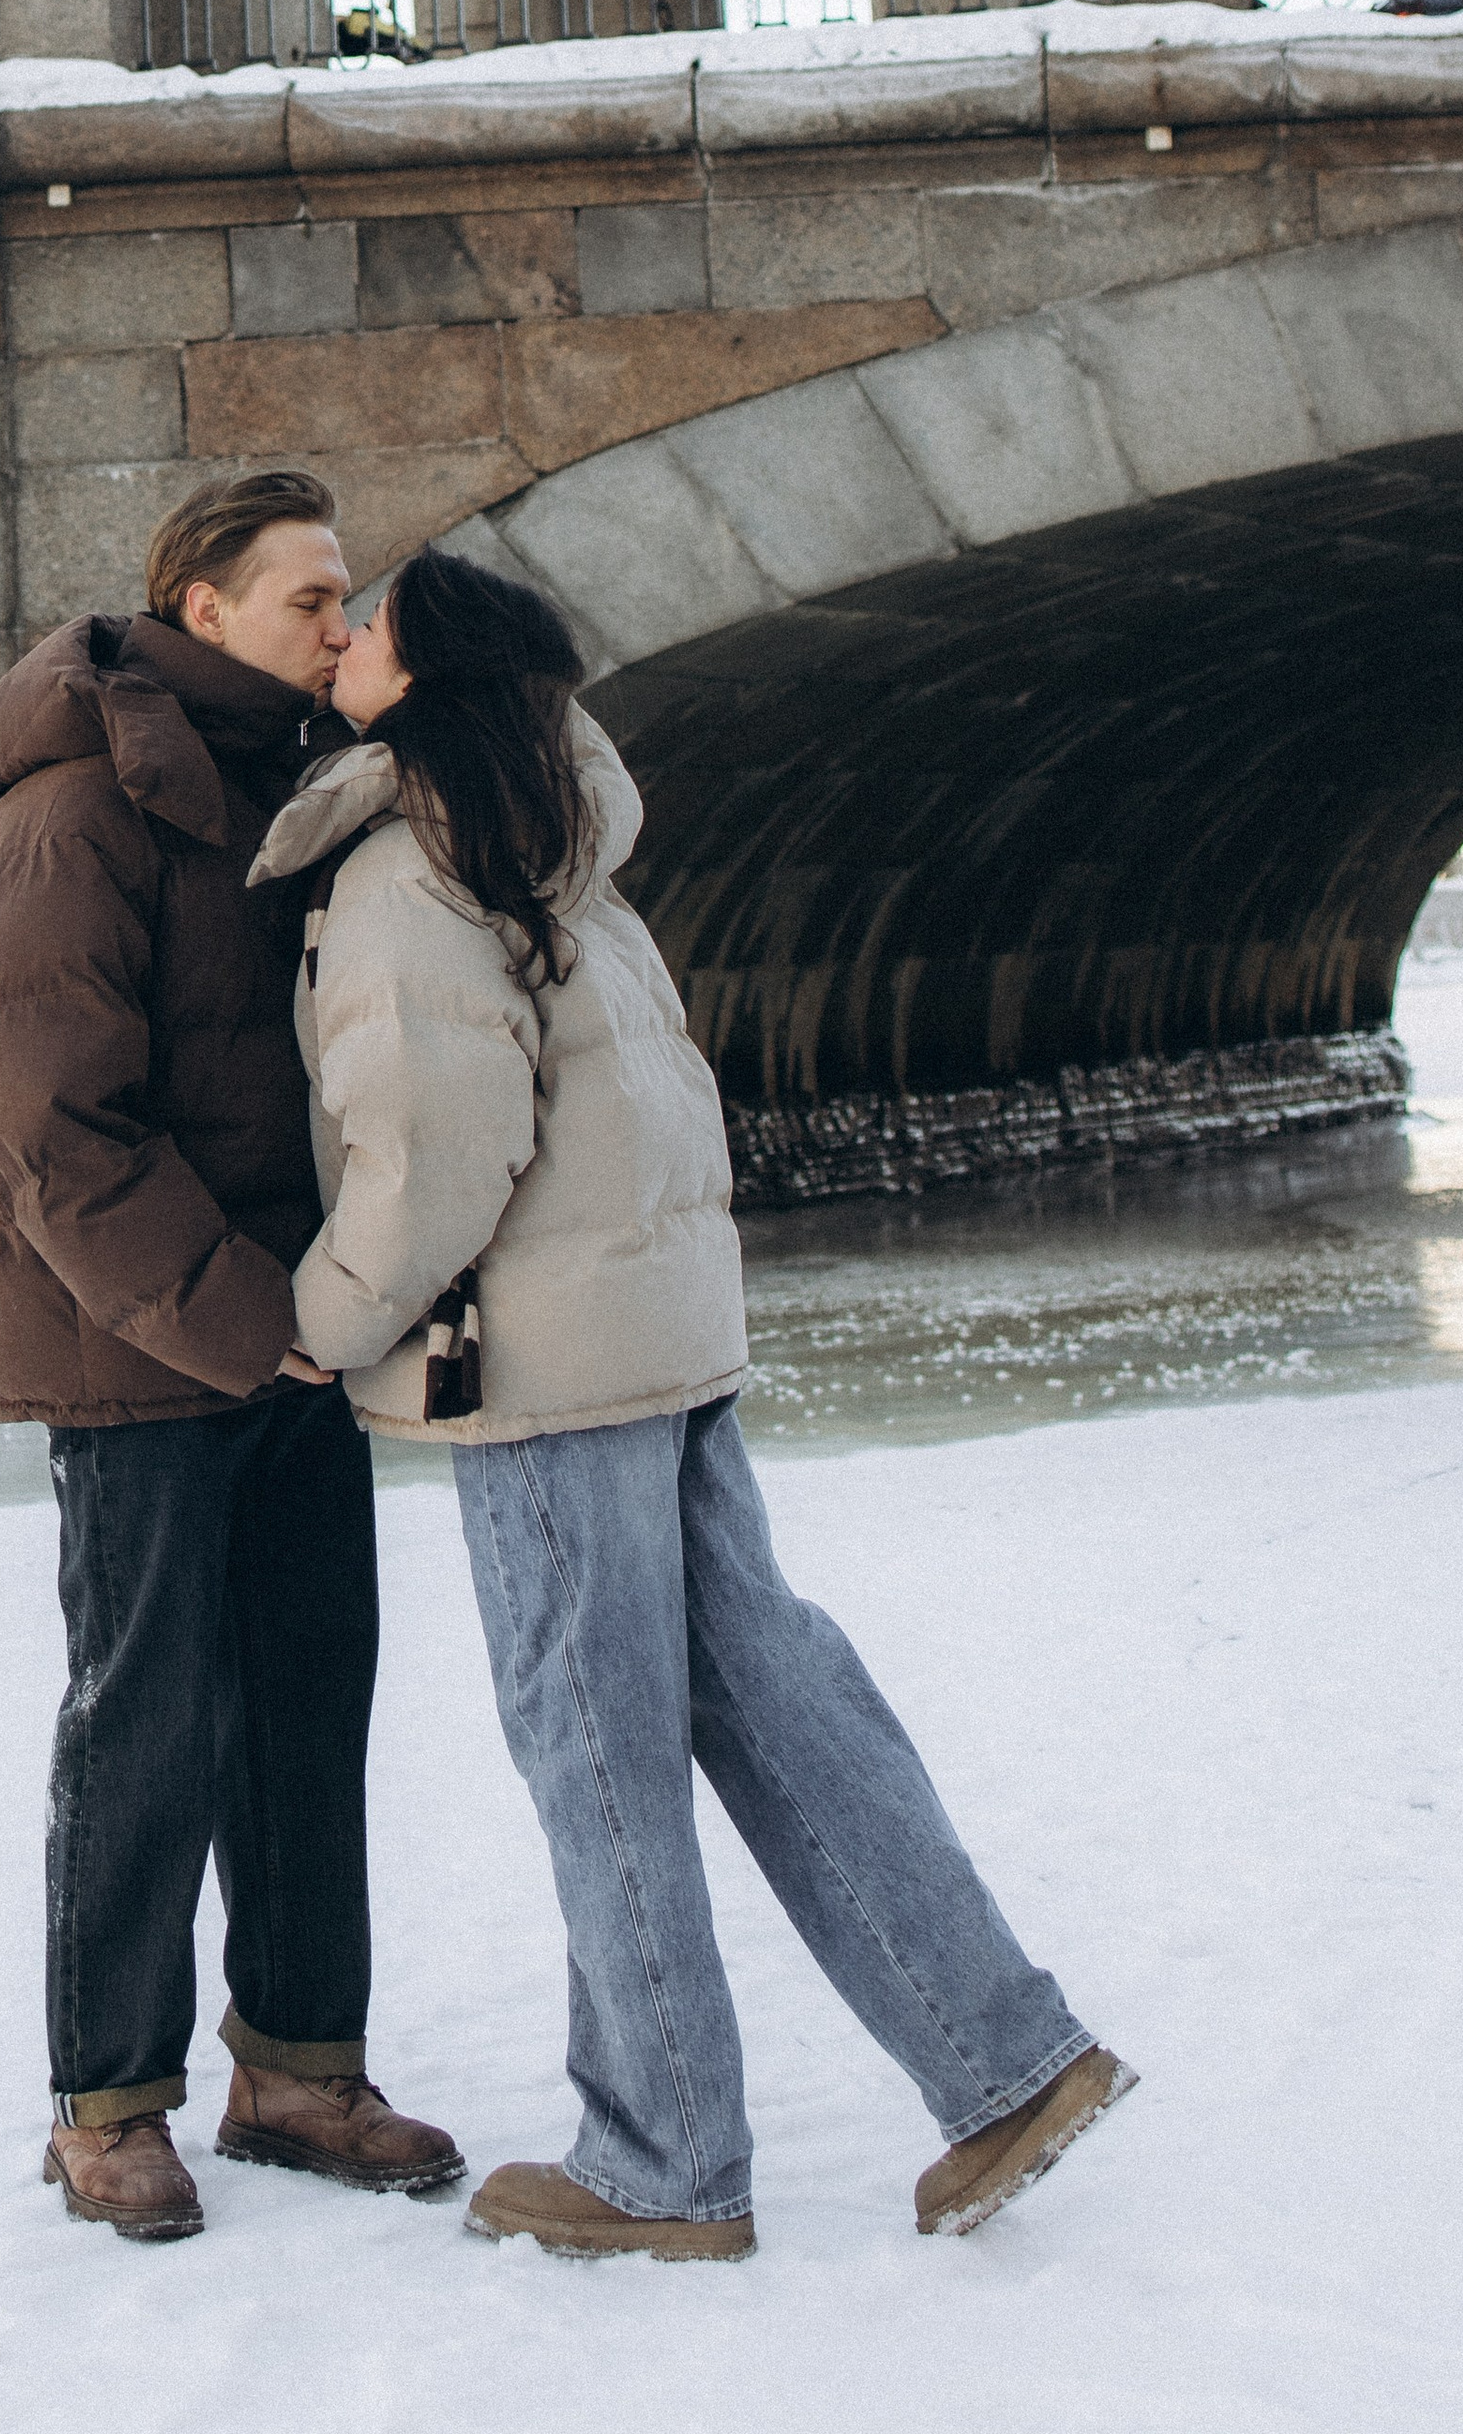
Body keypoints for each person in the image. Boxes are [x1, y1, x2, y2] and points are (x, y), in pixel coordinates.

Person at [253, 542, 1133, 2262]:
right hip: (664, 1343)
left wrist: (321, 1323)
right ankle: (1004, 2057)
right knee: (782, 1702)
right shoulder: (570, 855)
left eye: (375, 627)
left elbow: (434, 1154)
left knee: (597, 1752)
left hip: (541, 1374)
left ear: (430, 685)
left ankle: (660, 2159)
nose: (344, 638)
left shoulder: (408, 875)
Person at [0, 470, 463, 2244]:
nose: (343, 620)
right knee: (146, 1720)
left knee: (312, 1697)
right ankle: (109, 2102)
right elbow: (52, 1131)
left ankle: (301, 2068)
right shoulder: (73, 815)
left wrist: (332, 1313)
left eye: (345, 591)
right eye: (312, 595)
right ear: (202, 608)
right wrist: (255, 1324)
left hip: (291, 1339)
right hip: (146, 1349)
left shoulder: (296, 790)